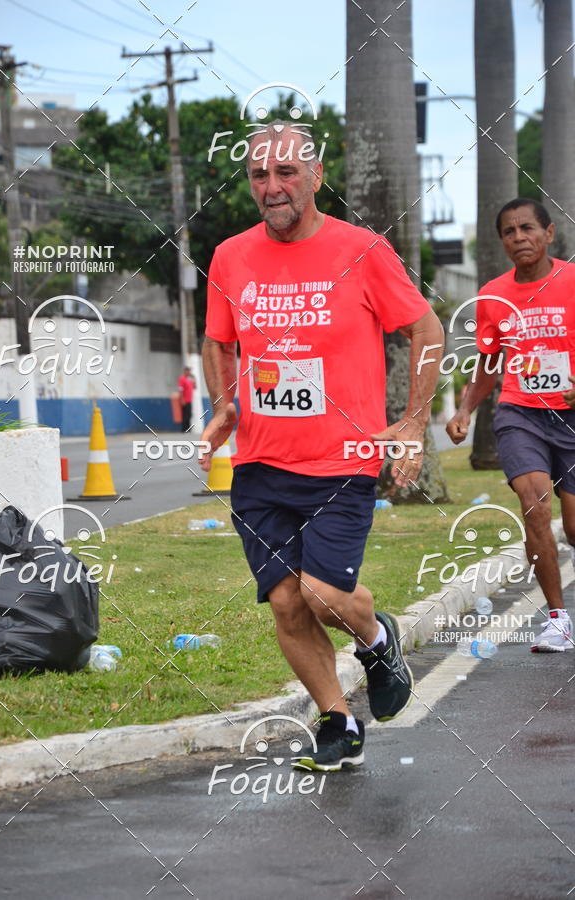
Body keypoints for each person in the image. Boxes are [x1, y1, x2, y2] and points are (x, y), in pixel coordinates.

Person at [201, 120, 444, 771]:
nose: (272, 187)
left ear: (315, 173)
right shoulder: (230, 256)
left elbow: (428, 330)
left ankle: (376, 636)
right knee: (284, 599)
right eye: (259, 175)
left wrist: (414, 423)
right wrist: (225, 403)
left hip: (342, 461)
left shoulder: (361, 249)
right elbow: (218, 339)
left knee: (323, 594)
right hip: (259, 461)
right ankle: (337, 719)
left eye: (285, 173)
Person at [447, 198, 575, 652]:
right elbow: (488, 364)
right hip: (519, 413)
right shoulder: (493, 297)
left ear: (549, 233)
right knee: (535, 502)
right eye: (509, 231)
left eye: (527, 228)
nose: (518, 237)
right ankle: (557, 619)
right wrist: (465, 409)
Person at [178, 366, 196, 433]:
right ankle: (184, 429)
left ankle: (188, 429)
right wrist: (182, 399)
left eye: (189, 371)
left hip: (189, 400)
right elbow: (180, 390)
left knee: (189, 415)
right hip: (184, 400)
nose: (189, 372)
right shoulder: (182, 379)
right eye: (188, 371)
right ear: (185, 371)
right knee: (185, 415)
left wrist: (194, 379)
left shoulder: (189, 379)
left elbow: (194, 387)